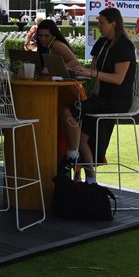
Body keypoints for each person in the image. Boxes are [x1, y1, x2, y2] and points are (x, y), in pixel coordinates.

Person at [71, 6, 137, 182]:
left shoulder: (124, 46)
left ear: (113, 24)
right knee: (80, 132)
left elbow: (118, 79)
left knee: (72, 116)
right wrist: (75, 70)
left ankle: (77, 164)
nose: (98, 26)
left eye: (101, 23)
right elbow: (93, 68)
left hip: (114, 102)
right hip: (98, 100)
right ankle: (84, 174)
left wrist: (91, 73)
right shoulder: (101, 43)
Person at [26, 18, 82, 167]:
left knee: (65, 115)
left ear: (53, 35)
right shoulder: (44, 47)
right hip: (56, 89)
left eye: (46, 36)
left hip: (68, 90)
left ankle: (71, 155)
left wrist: (54, 68)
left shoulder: (57, 44)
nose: (43, 39)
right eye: (41, 36)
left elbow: (75, 62)